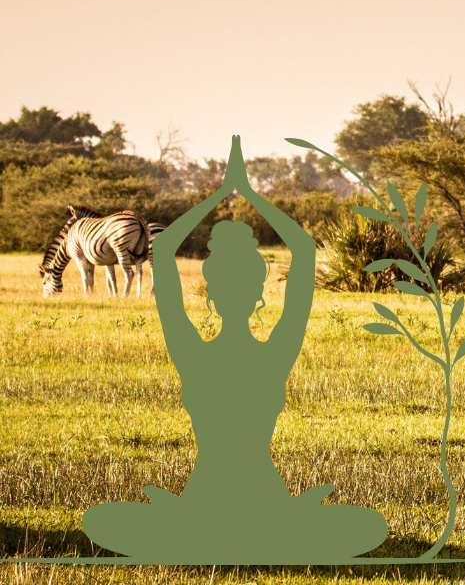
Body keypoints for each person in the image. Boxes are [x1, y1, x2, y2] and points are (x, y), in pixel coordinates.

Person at [82, 138, 387, 564]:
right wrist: (245, 192)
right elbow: (302, 249)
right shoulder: (273, 353)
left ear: (217, 299)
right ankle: (270, 535)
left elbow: (166, 252)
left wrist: (226, 192)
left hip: (218, 508)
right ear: (253, 298)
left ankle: (206, 534)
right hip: (253, 509)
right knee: (361, 529)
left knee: (109, 522)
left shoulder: (194, 352)